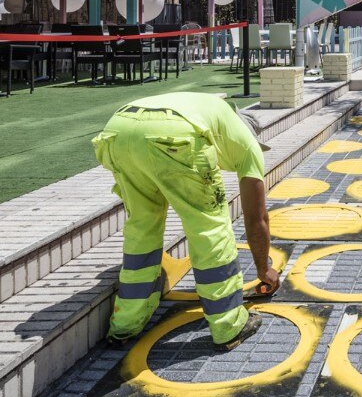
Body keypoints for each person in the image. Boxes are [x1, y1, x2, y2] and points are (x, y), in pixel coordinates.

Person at [91, 93, 280, 350]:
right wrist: (263, 269)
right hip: (175, 134)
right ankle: (228, 324)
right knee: (209, 227)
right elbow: (256, 218)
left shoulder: (210, 110)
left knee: (142, 226)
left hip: (117, 131)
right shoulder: (247, 144)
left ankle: (124, 325)